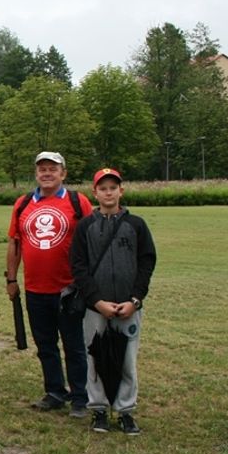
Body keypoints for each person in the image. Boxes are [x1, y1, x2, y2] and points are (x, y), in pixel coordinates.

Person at [5, 151, 94, 417]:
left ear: (63, 174)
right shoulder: (23, 204)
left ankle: (80, 397)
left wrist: (87, 283)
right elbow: (15, 243)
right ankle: (55, 391)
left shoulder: (78, 202)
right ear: (36, 173)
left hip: (69, 289)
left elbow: (92, 241)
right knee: (45, 346)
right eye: (42, 169)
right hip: (35, 289)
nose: (47, 173)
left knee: (74, 346)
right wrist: (11, 278)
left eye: (52, 169)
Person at [69, 168, 156, 435]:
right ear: (95, 192)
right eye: (103, 188)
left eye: (113, 187)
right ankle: (98, 409)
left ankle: (125, 410)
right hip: (97, 307)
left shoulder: (136, 225)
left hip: (127, 306)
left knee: (127, 360)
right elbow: (79, 266)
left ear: (121, 190)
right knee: (95, 358)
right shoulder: (86, 226)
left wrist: (135, 300)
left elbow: (147, 262)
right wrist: (96, 301)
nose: (108, 192)